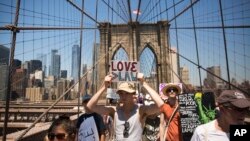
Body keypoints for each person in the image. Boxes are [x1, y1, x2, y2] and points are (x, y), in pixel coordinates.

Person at [87, 73, 164, 141]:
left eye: (127, 93)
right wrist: (104, 86)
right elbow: (90, 106)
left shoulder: (140, 110)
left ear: (133, 94)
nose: (123, 96)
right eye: (121, 93)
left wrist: (144, 83)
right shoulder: (114, 111)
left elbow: (160, 104)